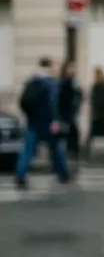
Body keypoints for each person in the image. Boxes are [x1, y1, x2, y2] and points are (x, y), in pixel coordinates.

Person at [15, 57, 71, 189]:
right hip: (48, 123)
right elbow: (53, 104)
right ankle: (63, 174)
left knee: (27, 151)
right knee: (56, 149)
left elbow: (24, 102)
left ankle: (20, 176)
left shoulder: (32, 81)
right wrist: (56, 120)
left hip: (33, 122)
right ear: (50, 66)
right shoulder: (51, 83)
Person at [86, 66, 104, 162]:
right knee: (93, 130)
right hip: (98, 112)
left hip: (103, 112)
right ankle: (87, 146)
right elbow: (93, 98)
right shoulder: (96, 85)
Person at [57, 59, 84, 164]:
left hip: (71, 113)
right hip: (63, 113)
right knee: (61, 134)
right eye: (70, 68)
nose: (72, 70)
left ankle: (72, 152)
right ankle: (63, 154)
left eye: (73, 68)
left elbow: (79, 96)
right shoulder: (63, 82)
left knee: (73, 133)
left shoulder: (74, 82)